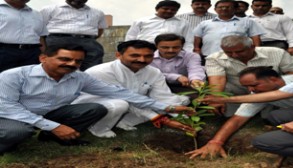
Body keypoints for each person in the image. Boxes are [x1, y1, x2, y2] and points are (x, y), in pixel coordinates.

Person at [0, 42, 195, 155]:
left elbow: (120, 93)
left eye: (77, 61)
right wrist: (54, 125)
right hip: (13, 114)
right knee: (18, 131)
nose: (72, 64)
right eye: (65, 59)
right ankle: (9, 145)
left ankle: (49, 136)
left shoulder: (78, 76)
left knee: (95, 109)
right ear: (43, 58)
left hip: (50, 112)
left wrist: (167, 108)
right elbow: (7, 106)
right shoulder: (13, 76)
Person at [72, 40, 194, 138]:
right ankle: (98, 128)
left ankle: (121, 122)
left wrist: (184, 119)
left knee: (180, 101)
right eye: (135, 55)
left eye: (148, 56)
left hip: (134, 104)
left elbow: (162, 97)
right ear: (118, 55)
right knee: (120, 104)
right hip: (93, 106)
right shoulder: (102, 71)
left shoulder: (154, 72)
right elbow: (125, 98)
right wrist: (161, 119)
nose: (142, 60)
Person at [186, 66, 293, 159]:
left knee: (265, 141)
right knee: (276, 116)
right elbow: (238, 119)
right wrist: (216, 142)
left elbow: (277, 95)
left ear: (273, 79)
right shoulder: (257, 94)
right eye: (247, 87)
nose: (251, 89)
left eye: (254, 85)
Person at [205, 35, 293, 116]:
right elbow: (217, 79)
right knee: (234, 115)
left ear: (252, 47)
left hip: (269, 90)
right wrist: (217, 99)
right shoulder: (214, 58)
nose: (234, 55)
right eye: (228, 52)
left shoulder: (277, 53)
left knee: (272, 116)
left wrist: (281, 93)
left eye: (239, 51)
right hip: (236, 90)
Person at [40, 0, 107, 71]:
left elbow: (100, 30)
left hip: (87, 42)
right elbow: (39, 30)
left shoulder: (97, 12)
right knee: (56, 67)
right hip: (57, 40)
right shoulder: (49, 9)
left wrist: (87, 39)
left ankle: (88, 81)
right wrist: (43, 49)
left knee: (93, 68)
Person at [193, 0, 264, 62]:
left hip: (237, 55)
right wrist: (196, 49)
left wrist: (256, 50)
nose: (224, 9)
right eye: (220, 7)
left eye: (228, 7)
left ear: (235, 9)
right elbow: (197, 37)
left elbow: (255, 37)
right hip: (210, 55)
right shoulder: (205, 23)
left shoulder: (248, 22)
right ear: (215, 9)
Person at [0, 0, 48, 72]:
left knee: (29, 79)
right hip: (4, 51)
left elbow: (40, 37)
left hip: (32, 53)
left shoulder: (36, 14)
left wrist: (45, 54)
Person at [125, 0, 193, 51]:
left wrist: (187, 53)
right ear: (157, 9)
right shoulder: (141, 21)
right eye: (165, 9)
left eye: (173, 10)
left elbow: (188, 40)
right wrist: (129, 49)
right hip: (145, 50)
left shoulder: (183, 23)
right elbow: (131, 37)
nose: (169, 11)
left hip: (172, 51)